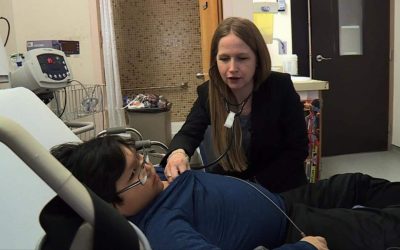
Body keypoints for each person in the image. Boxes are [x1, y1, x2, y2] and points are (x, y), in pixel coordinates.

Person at [45, 135, 400, 250]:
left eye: (142, 160)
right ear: (111, 204)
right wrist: (303, 249)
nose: (148, 171)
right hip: (291, 227)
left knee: (353, 182)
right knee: (379, 226)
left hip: (281, 200)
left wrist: (174, 157)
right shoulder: (164, 229)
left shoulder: (153, 180)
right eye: (136, 172)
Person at [161, 17, 309, 193]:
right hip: (237, 186)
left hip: (282, 187)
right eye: (224, 58)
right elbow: (188, 132)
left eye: (242, 58)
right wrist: (178, 153)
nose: (232, 68)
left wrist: (254, 185)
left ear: (258, 59)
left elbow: (298, 149)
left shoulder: (279, 87)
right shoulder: (209, 93)